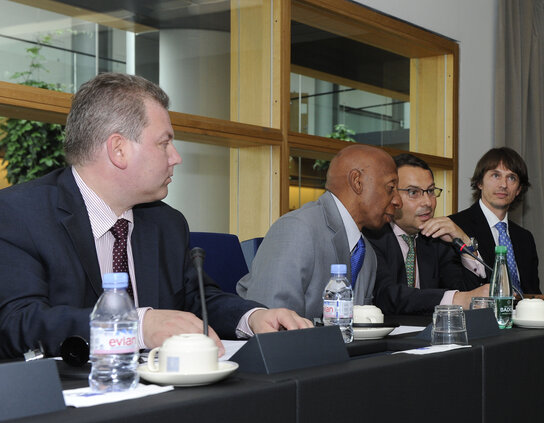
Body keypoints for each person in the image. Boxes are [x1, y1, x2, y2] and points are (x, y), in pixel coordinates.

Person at [0, 72, 311, 360]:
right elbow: (18, 324)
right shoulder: (19, 214)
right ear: (118, 150)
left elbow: (198, 301)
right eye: (165, 143)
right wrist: (135, 325)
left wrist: (252, 317)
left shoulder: (166, 223)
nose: (176, 157)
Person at [237, 144, 402, 319]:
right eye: (390, 188)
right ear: (357, 182)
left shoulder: (366, 253)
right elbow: (271, 325)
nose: (398, 201)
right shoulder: (298, 228)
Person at [365, 154, 489, 314]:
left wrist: (464, 241)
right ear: (391, 194)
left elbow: (467, 293)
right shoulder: (372, 236)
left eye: (430, 191)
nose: (428, 202)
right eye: (413, 192)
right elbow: (386, 295)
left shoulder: (435, 240)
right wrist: (458, 299)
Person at [449, 147, 541, 295]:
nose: (503, 185)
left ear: (518, 190)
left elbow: (534, 293)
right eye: (495, 176)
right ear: (480, 182)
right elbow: (457, 289)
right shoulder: (455, 227)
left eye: (511, 178)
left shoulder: (525, 238)